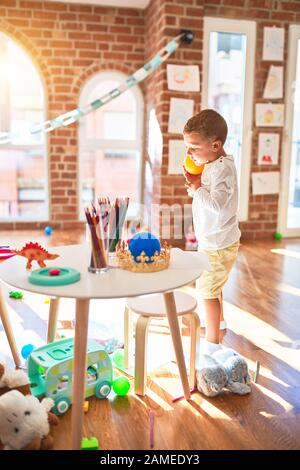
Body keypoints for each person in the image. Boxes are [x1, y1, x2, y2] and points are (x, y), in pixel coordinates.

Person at [183, 109, 241, 357]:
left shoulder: (222, 171)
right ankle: (220, 323)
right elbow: (205, 197)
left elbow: (217, 205)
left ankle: (213, 343)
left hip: (218, 243)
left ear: (215, 145)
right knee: (214, 285)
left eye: (194, 147)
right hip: (212, 240)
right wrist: (194, 186)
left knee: (206, 290)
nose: (189, 152)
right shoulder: (211, 164)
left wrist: (197, 189)